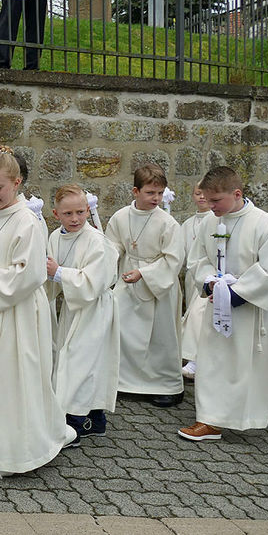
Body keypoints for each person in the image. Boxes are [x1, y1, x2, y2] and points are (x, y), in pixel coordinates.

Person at [0, 151, 75, 479]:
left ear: (17, 182)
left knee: (17, 378)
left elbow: (28, 274)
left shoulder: (28, 221)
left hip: (21, 311)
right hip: (0, 311)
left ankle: (17, 453)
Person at [179, 167, 268, 442]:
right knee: (213, 361)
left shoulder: (266, 224)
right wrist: (209, 282)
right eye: (207, 200)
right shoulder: (210, 222)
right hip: (217, 305)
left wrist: (239, 293)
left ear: (237, 194)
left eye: (216, 200)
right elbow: (197, 259)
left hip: (251, 310)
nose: (210, 206)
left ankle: (250, 415)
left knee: (248, 366)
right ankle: (209, 420)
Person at [104, 164, 184, 407]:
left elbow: (173, 259)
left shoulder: (167, 223)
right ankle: (125, 382)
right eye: (150, 193)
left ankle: (168, 386)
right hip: (128, 280)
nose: (156, 199)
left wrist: (144, 273)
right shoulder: (120, 217)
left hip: (158, 284)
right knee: (123, 331)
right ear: (135, 191)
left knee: (160, 339)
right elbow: (113, 246)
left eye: (160, 193)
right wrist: (109, 261)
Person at [46, 185, 119, 440]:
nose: (75, 219)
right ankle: (94, 419)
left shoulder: (96, 240)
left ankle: (77, 421)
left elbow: (94, 281)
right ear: (56, 214)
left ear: (88, 210)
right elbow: (48, 276)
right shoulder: (55, 237)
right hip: (72, 308)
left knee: (85, 363)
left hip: (95, 308)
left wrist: (59, 273)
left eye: (80, 212)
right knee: (72, 361)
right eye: (68, 214)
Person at [180, 184, 213, 380]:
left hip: (208, 277)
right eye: (197, 193)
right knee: (192, 314)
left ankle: (196, 359)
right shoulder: (188, 224)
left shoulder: (215, 219)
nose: (201, 197)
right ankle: (192, 357)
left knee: (199, 315)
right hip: (193, 278)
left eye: (204, 193)